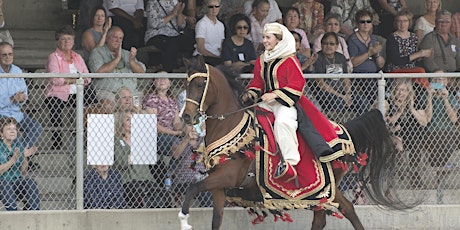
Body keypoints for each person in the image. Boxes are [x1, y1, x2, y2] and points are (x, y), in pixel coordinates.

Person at [242, 23, 336, 182]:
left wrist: (275, 95)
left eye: (268, 37)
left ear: (278, 40)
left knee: (283, 122)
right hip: (266, 102)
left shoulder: (290, 59)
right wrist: (251, 93)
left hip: (286, 103)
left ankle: (290, 164)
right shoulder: (262, 60)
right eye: (264, 37)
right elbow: (257, 82)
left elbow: (297, 85)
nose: (264, 41)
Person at [45, 25, 92, 150]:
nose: (67, 42)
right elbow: (55, 79)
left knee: (92, 99)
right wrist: (75, 80)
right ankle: (57, 142)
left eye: (69, 39)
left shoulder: (77, 57)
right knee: (54, 104)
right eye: (63, 39)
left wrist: (70, 80)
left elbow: (87, 78)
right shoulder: (53, 57)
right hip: (58, 93)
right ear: (57, 41)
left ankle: (88, 139)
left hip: (78, 93)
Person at [382, 79, 431, 188]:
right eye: (398, 90)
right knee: (396, 143)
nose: (400, 93)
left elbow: (424, 122)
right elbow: (389, 123)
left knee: (417, 144)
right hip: (395, 135)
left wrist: (412, 109)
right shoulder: (389, 104)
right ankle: (401, 171)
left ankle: (414, 175)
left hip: (412, 137)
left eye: (403, 90)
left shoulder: (415, 103)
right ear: (393, 91)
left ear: (409, 92)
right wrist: (400, 111)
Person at [88, 26, 146, 114]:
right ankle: (114, 128)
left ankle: (129, 127)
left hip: (131, 93)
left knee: (138, 106)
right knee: (107, 105)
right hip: (108, 92)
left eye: (120, 38)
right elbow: (99, 71)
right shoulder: (97, 52)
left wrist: (132, 61)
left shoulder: (127, 53)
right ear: (107, 38)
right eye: (115, 37)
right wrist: (117, 58)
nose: (118, 40)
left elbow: (141, 72)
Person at [0, 42, 43, 149]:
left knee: (36, 128)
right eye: (4, 54)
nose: (7, 57)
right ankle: (17, 158)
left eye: (10, 54)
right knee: (15, 136)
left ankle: (21, 155)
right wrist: (11, 99)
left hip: (16, 114)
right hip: (1, 114)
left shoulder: (17, 70)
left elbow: (24, 94)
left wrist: (21, 98)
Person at [113, 110, 158, 208]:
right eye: (128, 120)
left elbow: (154, 160)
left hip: (147, 180)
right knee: (138, 195)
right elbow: (122, 163)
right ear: (121, 122)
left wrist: (130, 157)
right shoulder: (117, 141)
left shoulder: (143, 141)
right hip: (129, 182)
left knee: (162, 196)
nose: (131, 123)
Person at [347, 9, 385, 113]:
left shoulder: (374, 40)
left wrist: (376, 54)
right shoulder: (352, 39)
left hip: (373, 76)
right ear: (357, 24)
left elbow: (381, 64)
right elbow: (353, 62)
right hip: (359, 78)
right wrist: (369, 53)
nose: (365, 24)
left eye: (368, 21)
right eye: (362, 21)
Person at [0, 117, 40, 211]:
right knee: (5, 184)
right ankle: (14, 214)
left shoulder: (18, 146)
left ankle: (34, 213)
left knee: (31, 183)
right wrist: (12, 160)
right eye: (9, 129)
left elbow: (23, 171)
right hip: (2, 183)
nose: (13, 131)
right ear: (1, 133)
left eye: (14, 129)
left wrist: (24, 157)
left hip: (17, 182)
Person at [144, 0, 195, 72]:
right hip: (156, 34)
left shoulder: (174, 2)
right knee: (171, 43)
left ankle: (191, 70)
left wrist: (180, 13)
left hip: (174, 34)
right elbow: (154, 24)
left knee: (189, 42)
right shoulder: (152, 3)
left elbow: (181, 25)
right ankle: (168, 73)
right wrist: (173, 14)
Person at [312, 32, 352, 117]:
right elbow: (321, 83)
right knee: (338, 101)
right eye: (325, 43)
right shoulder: (317, 57)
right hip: (325, 93)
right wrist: (342, 96)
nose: (328, 46)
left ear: (337, 46)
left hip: (342, 92)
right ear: (321, 45)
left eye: (332, 44)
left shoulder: (341, 57)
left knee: (361, 100)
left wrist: (348, 94)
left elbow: (346, 78)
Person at [143, 76, 184, 157]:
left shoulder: (172, 101)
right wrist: (174, 133)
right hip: (156, 135)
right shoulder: (151, 99)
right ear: (154, 82)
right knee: (177, 145)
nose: (162, 80)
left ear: (170, 83)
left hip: (172, 135)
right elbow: (153, 125)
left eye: (165, 78)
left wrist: (181, 130)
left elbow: (176, 122)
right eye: (158, 78)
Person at [424, 77, 459, 169]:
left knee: (449, 138)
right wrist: (429, 98)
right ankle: (438, 165)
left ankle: (437, 165)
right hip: (431, 130)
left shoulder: (451, 96)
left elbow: (454, 119)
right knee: (441, 137)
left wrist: (445, 99)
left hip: (448, 130)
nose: (438, 82)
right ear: (432, 82)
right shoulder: (424, 95)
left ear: (446, 82)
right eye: (436, 80)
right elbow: (428, 118)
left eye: (441, 79)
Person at [193, 0, 225, 66]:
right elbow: (200, 48)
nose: (214, 9)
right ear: (206, 8)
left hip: (217, 58)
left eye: (217, 6)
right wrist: (217, 57)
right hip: (203, 57)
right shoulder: (202, 24)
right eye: (211, 7)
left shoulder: (221, 25)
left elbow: (222, 45)